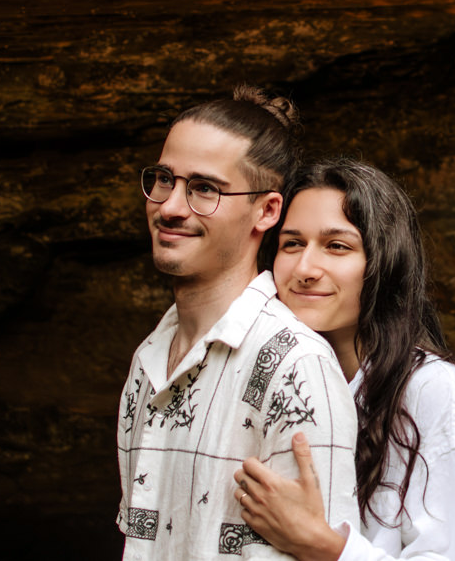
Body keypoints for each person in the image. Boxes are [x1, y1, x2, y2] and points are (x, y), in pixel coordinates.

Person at [233, 159, 455, 561]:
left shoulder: (434, 389)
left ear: (383, 262)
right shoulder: (267, 380)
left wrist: (323, 545)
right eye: (292, 243)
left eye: (337, 246)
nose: (304, 269)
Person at [116, 88, 360, 560]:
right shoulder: (148, 361)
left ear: (267, 210)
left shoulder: (296, 366)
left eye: (204, 188)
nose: (170, 207)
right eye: (164, 178)